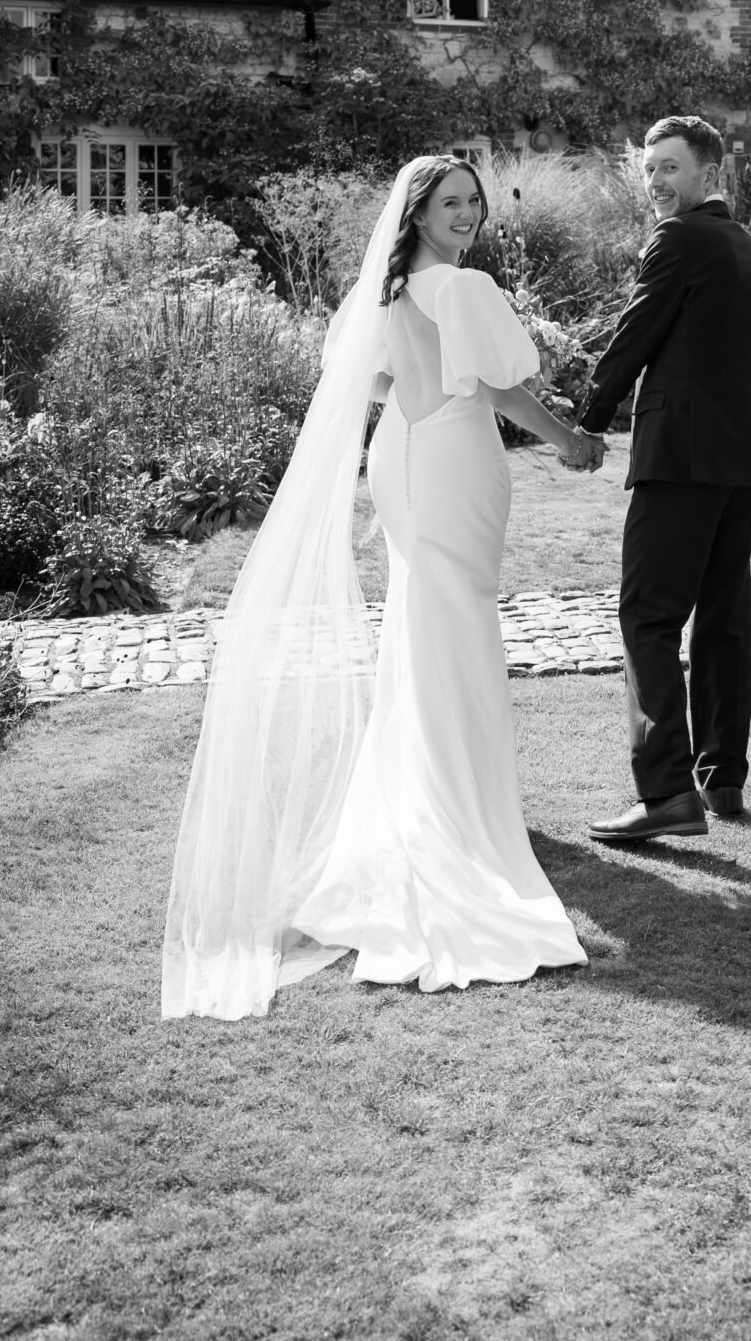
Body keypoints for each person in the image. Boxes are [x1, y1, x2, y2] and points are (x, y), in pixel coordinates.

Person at [162, 155, 600, 1019]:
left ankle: (424, 786)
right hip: (448, 453)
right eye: (451, 203)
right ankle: (452, 811)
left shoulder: (392, 286)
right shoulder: (462, 289)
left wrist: (423, 397)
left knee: (425, 618)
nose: (468, 214)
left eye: (473, 202)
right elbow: (504, 389)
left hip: (401, 449)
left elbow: (363, 378)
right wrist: (567, 439)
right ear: (418, 210)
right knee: (458, 620)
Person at [581, 117, 751, 842]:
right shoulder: (748, 250)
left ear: (708, 170)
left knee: (647, 615)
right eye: (649, 168)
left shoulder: (679, 239)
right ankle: (721, 777)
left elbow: (635, 331)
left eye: (669, 167)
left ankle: (665, 793)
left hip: (681, 457)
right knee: (723, 617)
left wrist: (590, 416)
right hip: (740, 461)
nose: (655, 181)